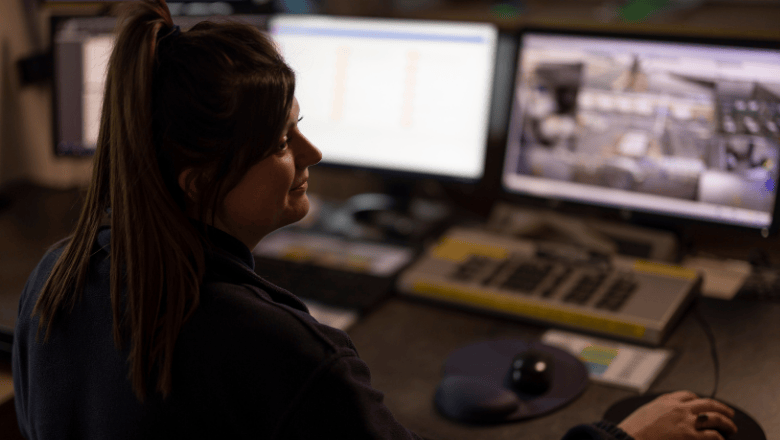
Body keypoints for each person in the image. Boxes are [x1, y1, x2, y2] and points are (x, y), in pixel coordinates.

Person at [12, 1, 738, 439]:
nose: (312, 152)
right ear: (200, 180)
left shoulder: (56, 276)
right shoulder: (282, 353)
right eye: (278, 143)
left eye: (300, 126)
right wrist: (622, 436)